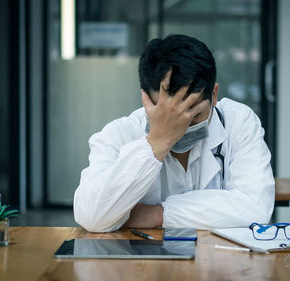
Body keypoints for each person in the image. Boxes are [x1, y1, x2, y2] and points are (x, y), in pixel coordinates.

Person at [74, 34, 275, 232]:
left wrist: (160, 214)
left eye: (191, 114)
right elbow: (92, 217)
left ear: (214, 95)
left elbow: (255, 208)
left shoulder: (239, 122)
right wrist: (157, 142)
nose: (178, 126)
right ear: (146, 99)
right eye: (165, 113)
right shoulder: (119, 134)